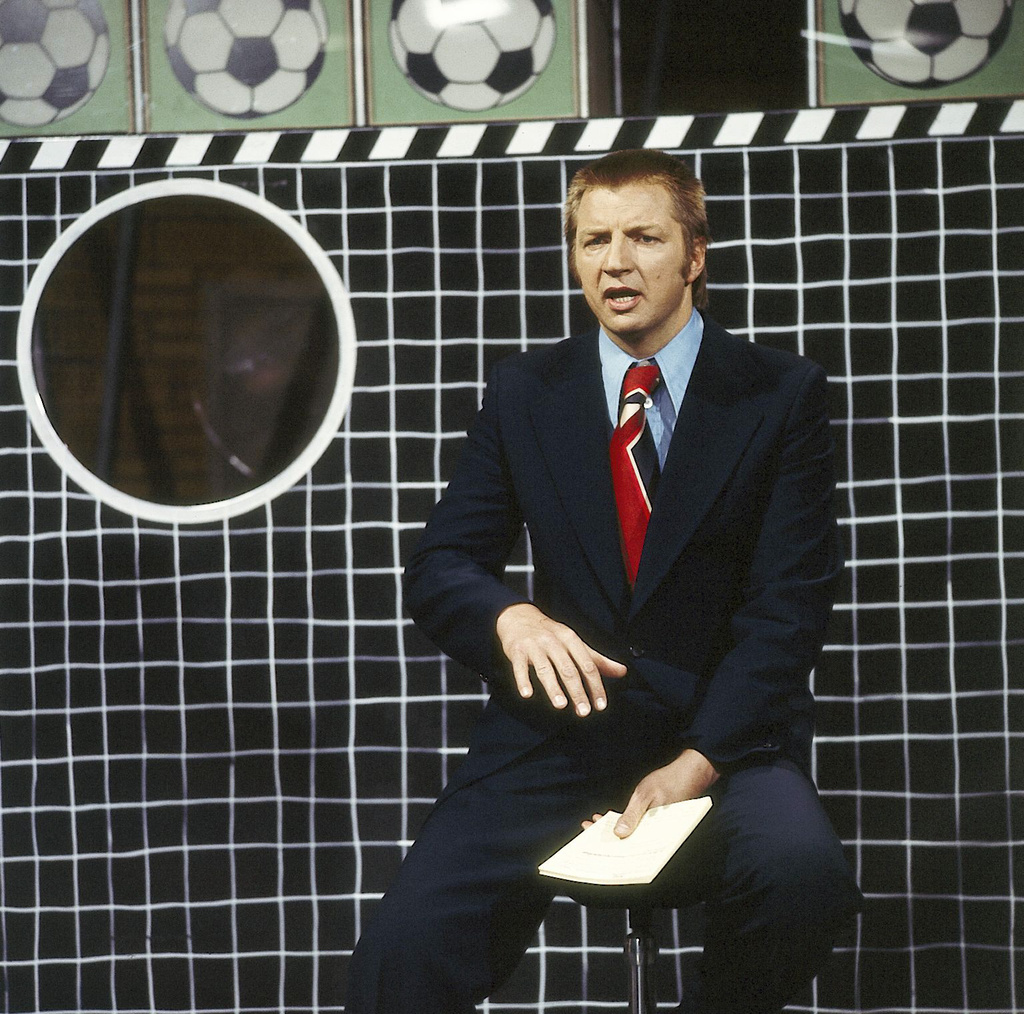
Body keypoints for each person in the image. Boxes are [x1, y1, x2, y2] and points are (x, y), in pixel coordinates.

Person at [345, 148, 862, 1014]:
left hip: (719, 739)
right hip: (554, 742)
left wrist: (695, 765)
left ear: (695, 255)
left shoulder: (778, 394)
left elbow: (788, 609)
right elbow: (442, 563)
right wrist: (511, 619)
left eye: (644, 238)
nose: (615, 262)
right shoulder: (526, 391)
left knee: (802, 880)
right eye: (593, 241)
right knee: (398, 957)